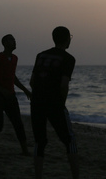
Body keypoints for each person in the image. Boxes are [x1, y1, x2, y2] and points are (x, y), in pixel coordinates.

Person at [30, 26, 79, 179]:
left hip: (37, 102)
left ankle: (38, 176)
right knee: (69, 140)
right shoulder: (68, 59)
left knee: (40, 141)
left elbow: (32, 81)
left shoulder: (41, 55)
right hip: (54, 103)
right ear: (67, 39)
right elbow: (64, 84)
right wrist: (61, 103)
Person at [0, 34, 31, 155]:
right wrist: (0, 89)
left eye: (15, 40)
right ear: (5, 43)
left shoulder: (15, 58)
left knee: (18, 123)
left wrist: (25, 90)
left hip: (11, 96)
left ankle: (25, 150)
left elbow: (13, 77)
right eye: (12, 40)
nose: (15, 42)